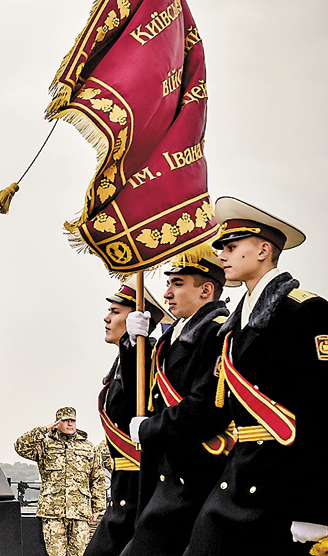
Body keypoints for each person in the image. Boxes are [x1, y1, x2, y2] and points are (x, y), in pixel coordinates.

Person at [182, 197, 328, 555]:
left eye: (231, 247)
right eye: (222, 248)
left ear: (264, 250)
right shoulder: (234, 327)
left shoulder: (305, 311)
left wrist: (315, 509)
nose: (222, 256)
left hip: (285, 486)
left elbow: (322, 412)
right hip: (238, 476)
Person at [119, 246, 235, 556]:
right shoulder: (173, 337)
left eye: (178, 283)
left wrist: (149, 430)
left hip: (195, 476)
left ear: (206, 290)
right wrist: (131, 346)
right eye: (168, 283)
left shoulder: (217, 332)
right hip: (164, 475)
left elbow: (206, 407)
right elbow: (140, 399)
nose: (166, 293)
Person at [84, 276, 170, 556]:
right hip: (123, 486)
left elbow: (142, 398)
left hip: (140, 487)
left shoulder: (149, 358)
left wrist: (135, 347)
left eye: (116, 312)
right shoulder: (121, 364)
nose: (106, 318)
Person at [15, 407, 106, 556]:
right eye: (65, 420)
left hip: (80, 513)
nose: (70, 424)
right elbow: (20, 446)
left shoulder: (88, 447)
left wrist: (97, 508)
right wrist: (45, 429)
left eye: (72, 421)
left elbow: (97, 478)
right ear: (57, 423)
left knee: (80, 554)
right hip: (53, 513)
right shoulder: (45, 445)